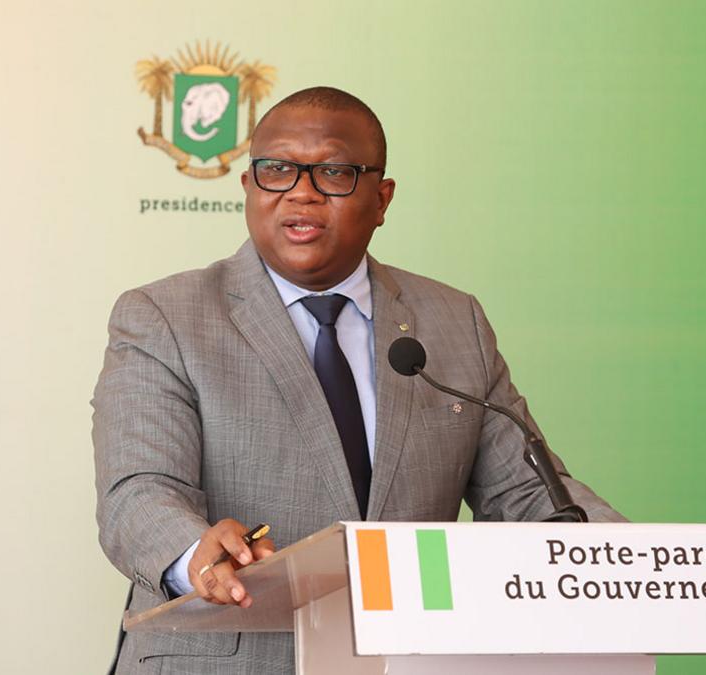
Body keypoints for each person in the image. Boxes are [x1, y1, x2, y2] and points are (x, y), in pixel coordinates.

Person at [92, 86, 625, 674]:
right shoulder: (165, 316)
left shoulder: (454, 321)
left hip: (406, 659)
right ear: (248, 187)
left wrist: (634, 559)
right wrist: (195, 552)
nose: (301, 191)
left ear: (381, 198)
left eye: (334, 173)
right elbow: (139, 491)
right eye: (277, 170)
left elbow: (525, 492)